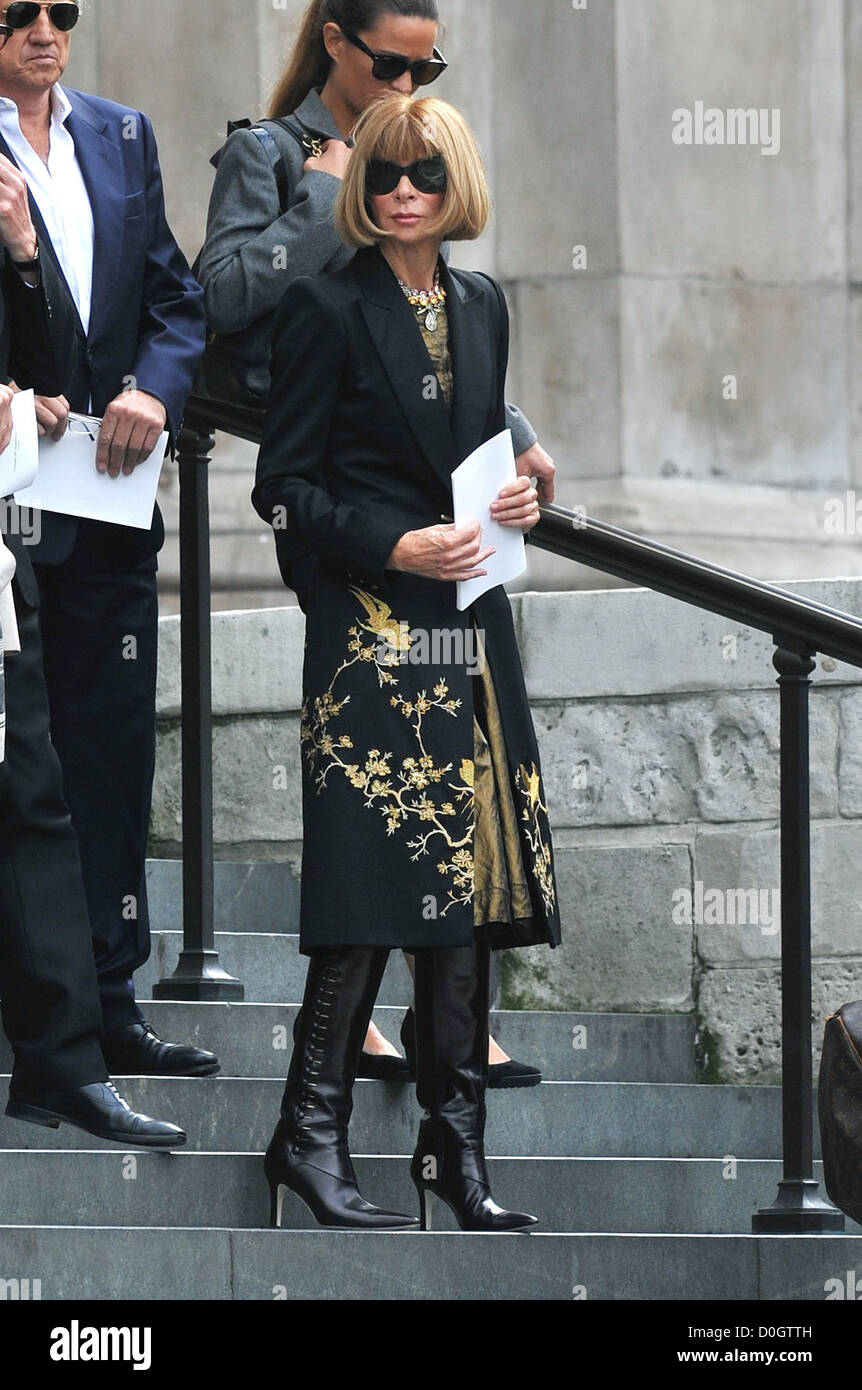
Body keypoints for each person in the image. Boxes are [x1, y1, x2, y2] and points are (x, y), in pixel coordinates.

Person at [200, 0, 552, 1086]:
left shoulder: (479, 299)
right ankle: (320, 1111)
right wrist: (329, 200)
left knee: (467, 832)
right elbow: (222, 298)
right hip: (356, 555)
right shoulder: (271, 158)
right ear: (336, 44)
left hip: (457, 582)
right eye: (391, 62)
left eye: (426, 67)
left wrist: (524, 459)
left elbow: (461, 393)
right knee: (368, 848)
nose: (407, 83)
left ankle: (455, 1114)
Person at [253, 93, 561, 1231]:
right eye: (381, 175)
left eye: (423, 175)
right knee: (369, 884)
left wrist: (531, 483)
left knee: (467, 890)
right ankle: (307, 1131)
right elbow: (280, 487)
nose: (400, 194)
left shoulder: (481, 304)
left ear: (455, 185)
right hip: (370, 635)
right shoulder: (321, 307)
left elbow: (481, 443)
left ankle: (454, 1150)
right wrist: (386, 541)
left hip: (469, 620)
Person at [0, 1, 217, 1078]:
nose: (43, 32)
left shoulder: (119, 133)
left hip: (115, 498)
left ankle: (113, 997)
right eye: (14, 15)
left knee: (111, 754)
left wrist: (155, 393)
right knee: (24, 769)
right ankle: (41, 1014)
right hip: (13, 504)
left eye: (60, 11)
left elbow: (176, 300)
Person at [0, 143, 184, 1147]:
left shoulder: (47, 175)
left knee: (35, 789)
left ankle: (63, 1061)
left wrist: (27, 256)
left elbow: (52, 357)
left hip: (10, 537)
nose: (42, 29)